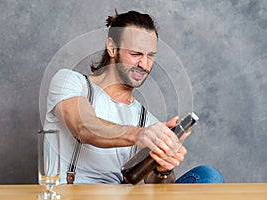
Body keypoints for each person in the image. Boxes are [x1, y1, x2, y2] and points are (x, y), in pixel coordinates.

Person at [43, 10, 224, 184]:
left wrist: (162, 168)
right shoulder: (70, 82)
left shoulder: (146, 120)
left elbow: (155, 185)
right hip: (73, 194)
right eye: (136, 54)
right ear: (112, 49)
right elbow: (83, 126)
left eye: (150, 56)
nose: (144, 64)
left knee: (208, 175)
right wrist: (138, 134)